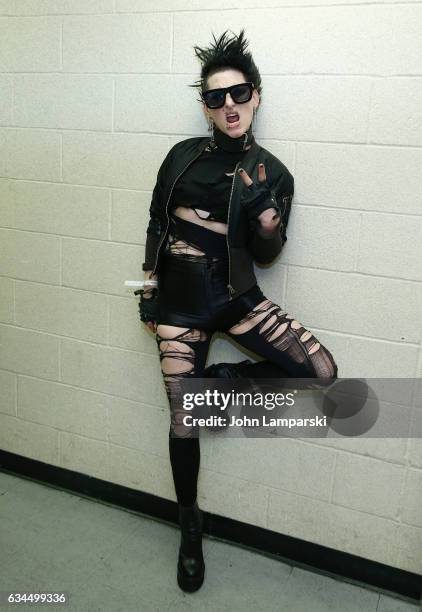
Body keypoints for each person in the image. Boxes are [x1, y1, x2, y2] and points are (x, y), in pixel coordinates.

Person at [137, 29, 338, 593]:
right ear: (205, 105)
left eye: (238, 93)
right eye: (215, 97)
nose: (229, 105)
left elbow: (270, 255)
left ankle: (217, 384)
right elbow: (157, 219)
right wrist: (150, 289)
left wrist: (269, 223)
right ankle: (190, 528)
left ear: (256, 96)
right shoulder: (180, 157)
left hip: (236, 297)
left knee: (320, 371)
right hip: (178, 301)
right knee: (182, 422)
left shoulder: (275, 174)